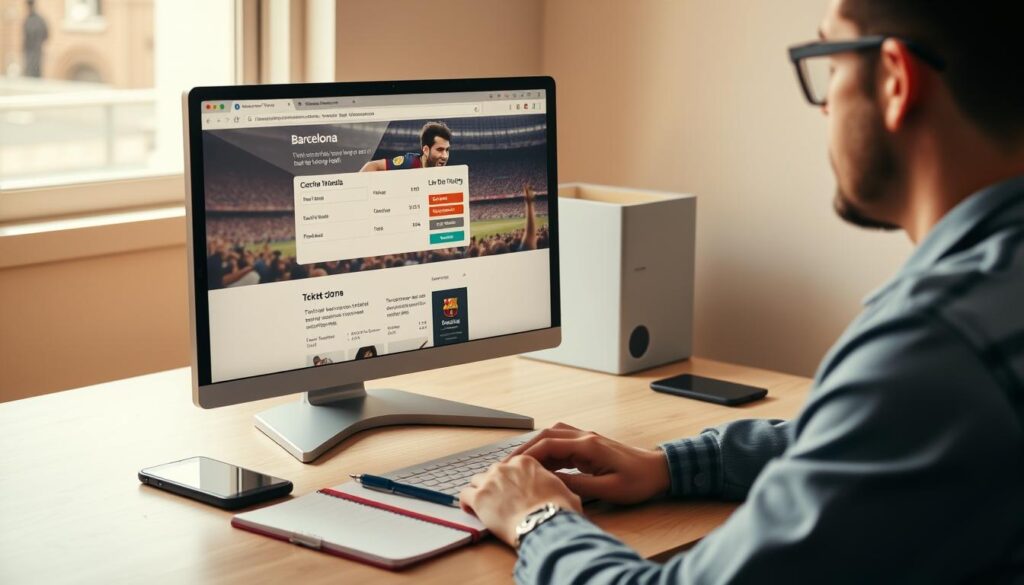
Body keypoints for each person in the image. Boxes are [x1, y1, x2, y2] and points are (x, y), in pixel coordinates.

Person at [459, 0, 1024, 582]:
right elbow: (861, 444)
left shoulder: (936, 345)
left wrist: (537, 519)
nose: (826, 103)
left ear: (894, 79)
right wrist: (671, 466)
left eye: (829, 63)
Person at [359, 121, 451, 171]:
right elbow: (371, 166)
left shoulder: (442, 173)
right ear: (426, 150)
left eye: (447, 150)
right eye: (440, 150)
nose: (445, 156)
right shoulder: (409, 162)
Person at [22, 0, 48, 78]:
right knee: (29, 71)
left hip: (36, 49)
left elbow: (46, 34)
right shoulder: (27, 20)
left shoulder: (39, 20)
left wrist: (39, 42)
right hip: (29, 50)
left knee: (36, 70)